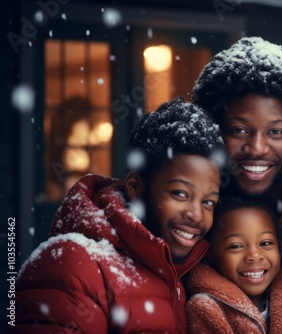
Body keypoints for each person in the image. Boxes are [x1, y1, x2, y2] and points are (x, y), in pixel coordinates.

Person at [10, 98, 225, 333]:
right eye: (180, 194)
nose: (196, 214)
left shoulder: (184, 281)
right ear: (135, 186)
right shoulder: (74, 265)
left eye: (208, 202)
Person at [192, 36, 282, 235]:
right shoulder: (186, 214)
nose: (256, 148)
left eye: (275, 132)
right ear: (213, 129)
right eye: (239, 130)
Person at [185, 196, 282, 334]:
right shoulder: (205, 309)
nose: (254, 255)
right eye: (236, 246)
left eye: (265, 243)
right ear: (209, 255)